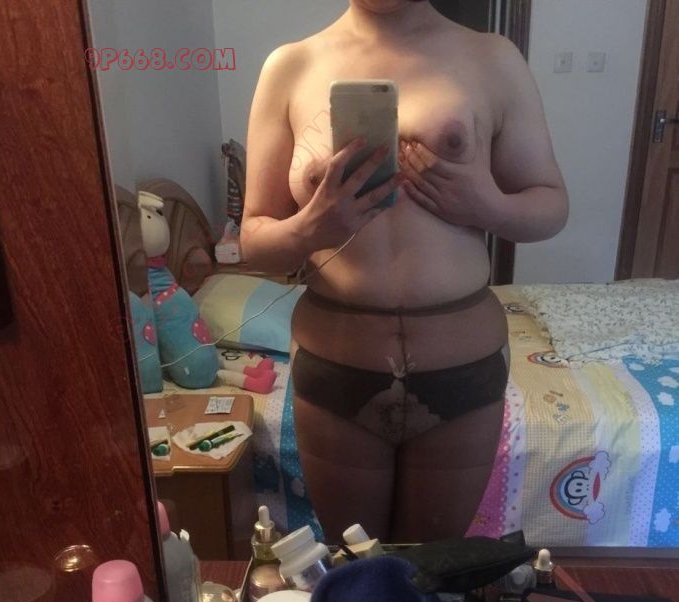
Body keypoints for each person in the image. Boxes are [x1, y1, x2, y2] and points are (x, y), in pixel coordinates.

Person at [241, 0, 568, 543]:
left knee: (430, 571)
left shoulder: (493, 58)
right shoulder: (291, 66)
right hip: (336, 365)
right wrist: (311, 228)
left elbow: (551, 205)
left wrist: (484, 206)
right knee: (357, 567)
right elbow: (253, 239)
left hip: (462, 365)